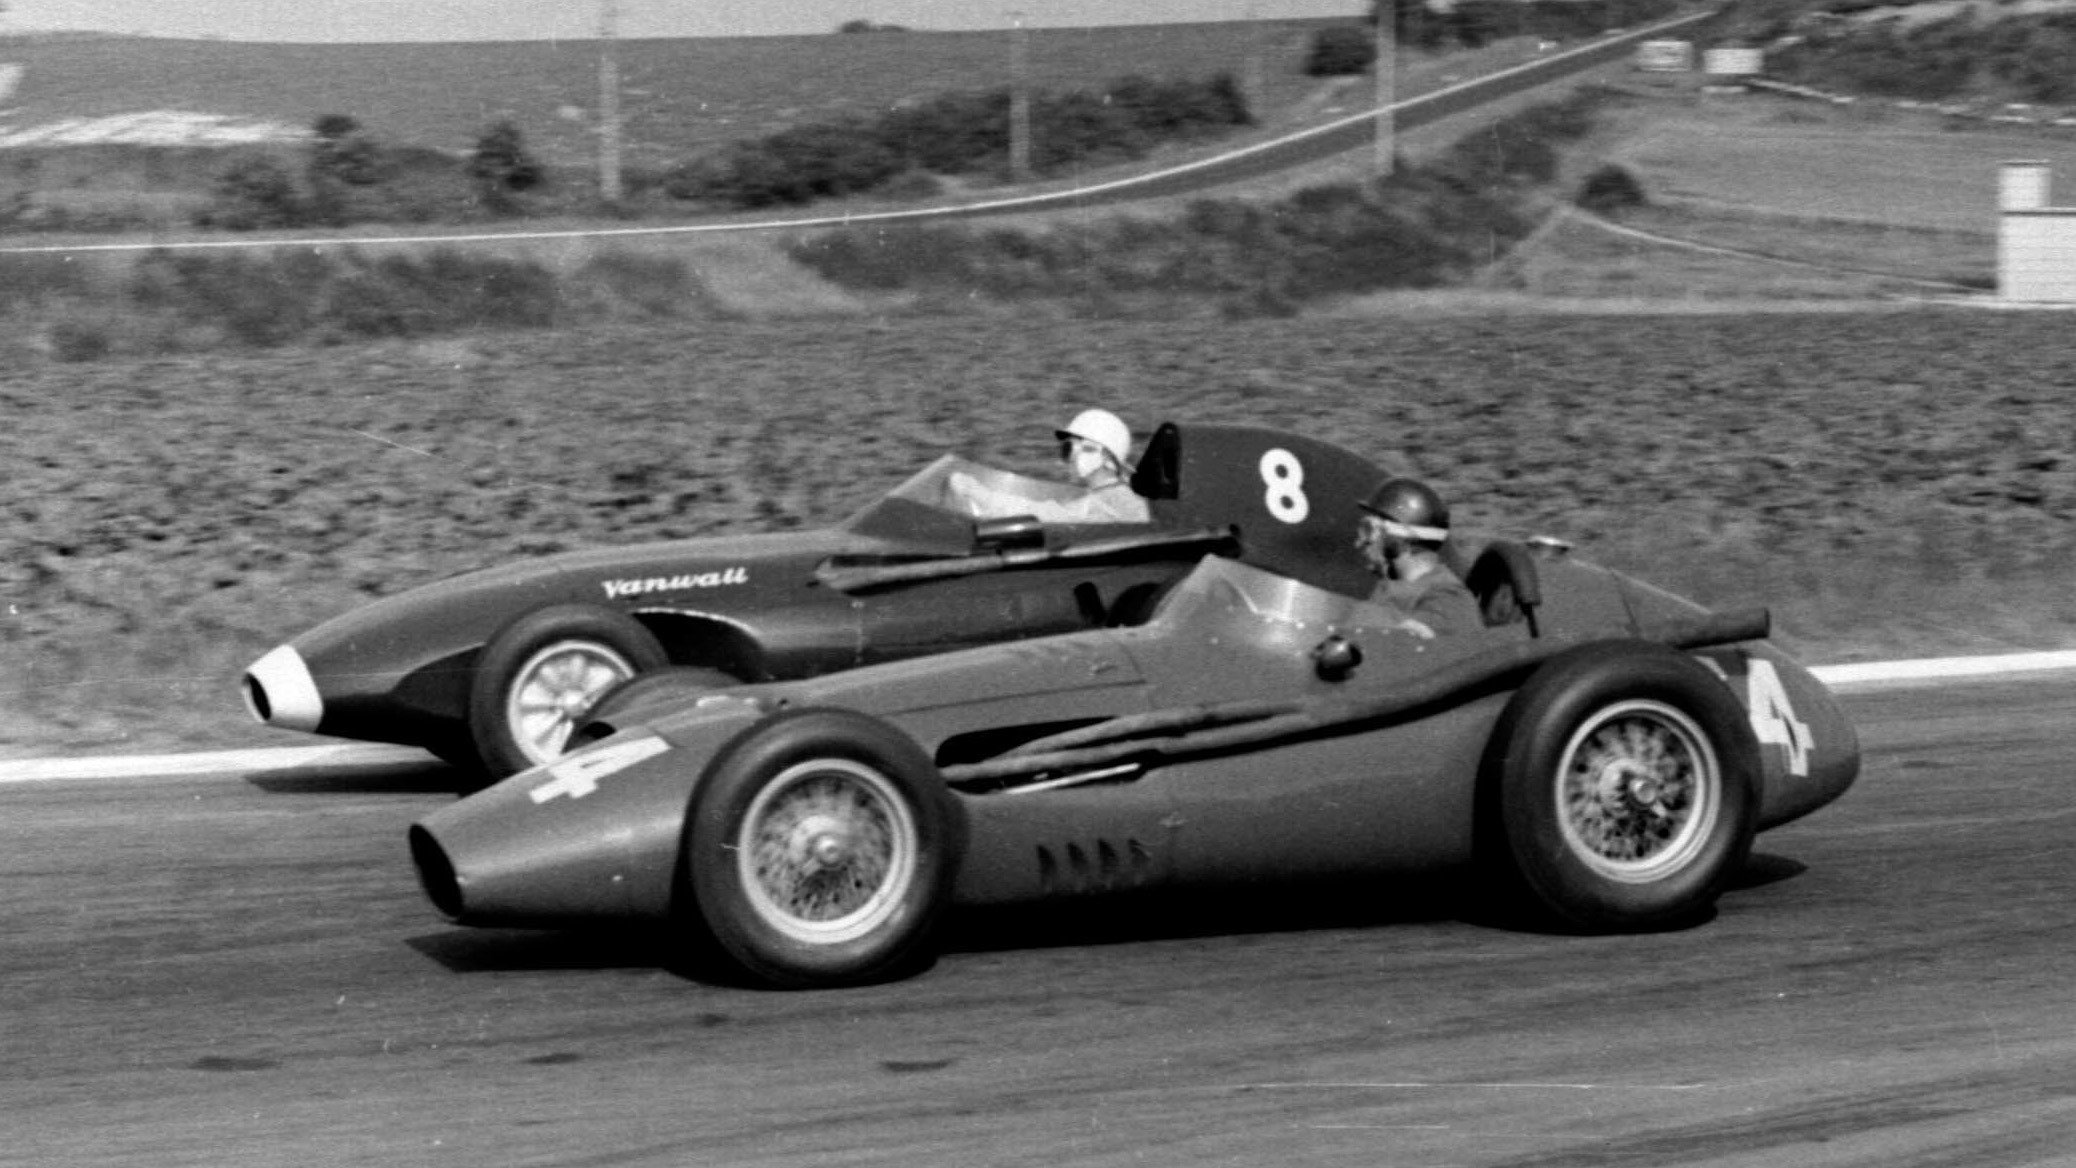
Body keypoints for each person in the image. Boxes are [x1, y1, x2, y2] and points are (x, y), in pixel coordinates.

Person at [946, 408, 1151, 524]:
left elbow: (1047, 514)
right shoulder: (1115, 494)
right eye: (1066, 450)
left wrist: (980, 494)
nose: (1068, 459)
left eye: (1070, 450)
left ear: (1104, 456)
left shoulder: (1115, 501)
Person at [1355, 477, 1479, 639]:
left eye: (1368, 530)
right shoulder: (1387, 590)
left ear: (1398, 536)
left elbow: (1412, 651)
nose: (1359, 543)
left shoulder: (1448, 600)